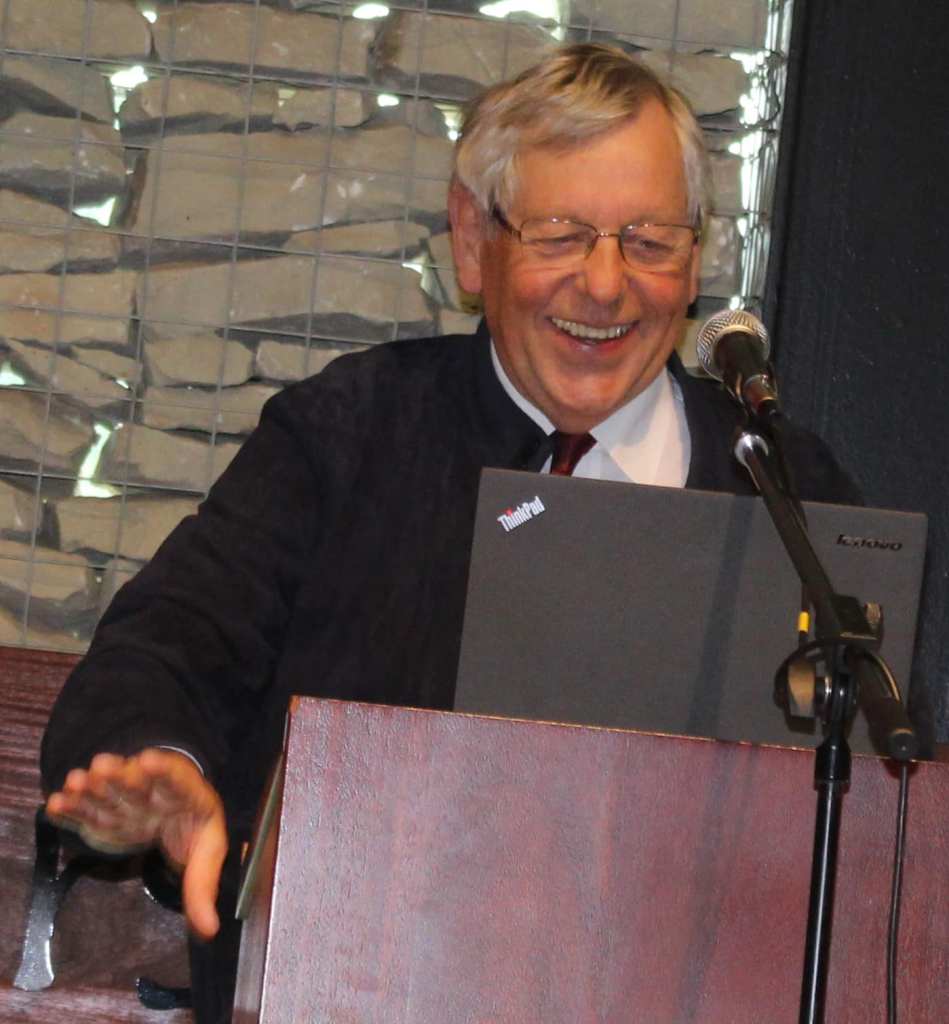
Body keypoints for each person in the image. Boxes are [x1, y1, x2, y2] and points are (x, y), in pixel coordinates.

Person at [40, 43, 858, 1021]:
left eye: (648, 241)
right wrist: (165, 770)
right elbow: (162, 651)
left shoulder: (783, 490)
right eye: (560, 235)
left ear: (695, 261)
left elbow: (886, 802)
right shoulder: (346, 436)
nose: (605, 285)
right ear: (472, 240)